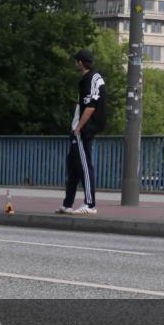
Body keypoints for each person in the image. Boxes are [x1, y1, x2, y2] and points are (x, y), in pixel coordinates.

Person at [57, 49, 106, 216]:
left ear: (80, 62)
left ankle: (90, 204)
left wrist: (78, 127)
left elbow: (91, 106)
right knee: (73, 166)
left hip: (83, 130)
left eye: (76, 61)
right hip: (80, 128)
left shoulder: (88, 79)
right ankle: (67, 204)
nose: (74, 63)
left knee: (85, 166)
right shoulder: (94, 77)